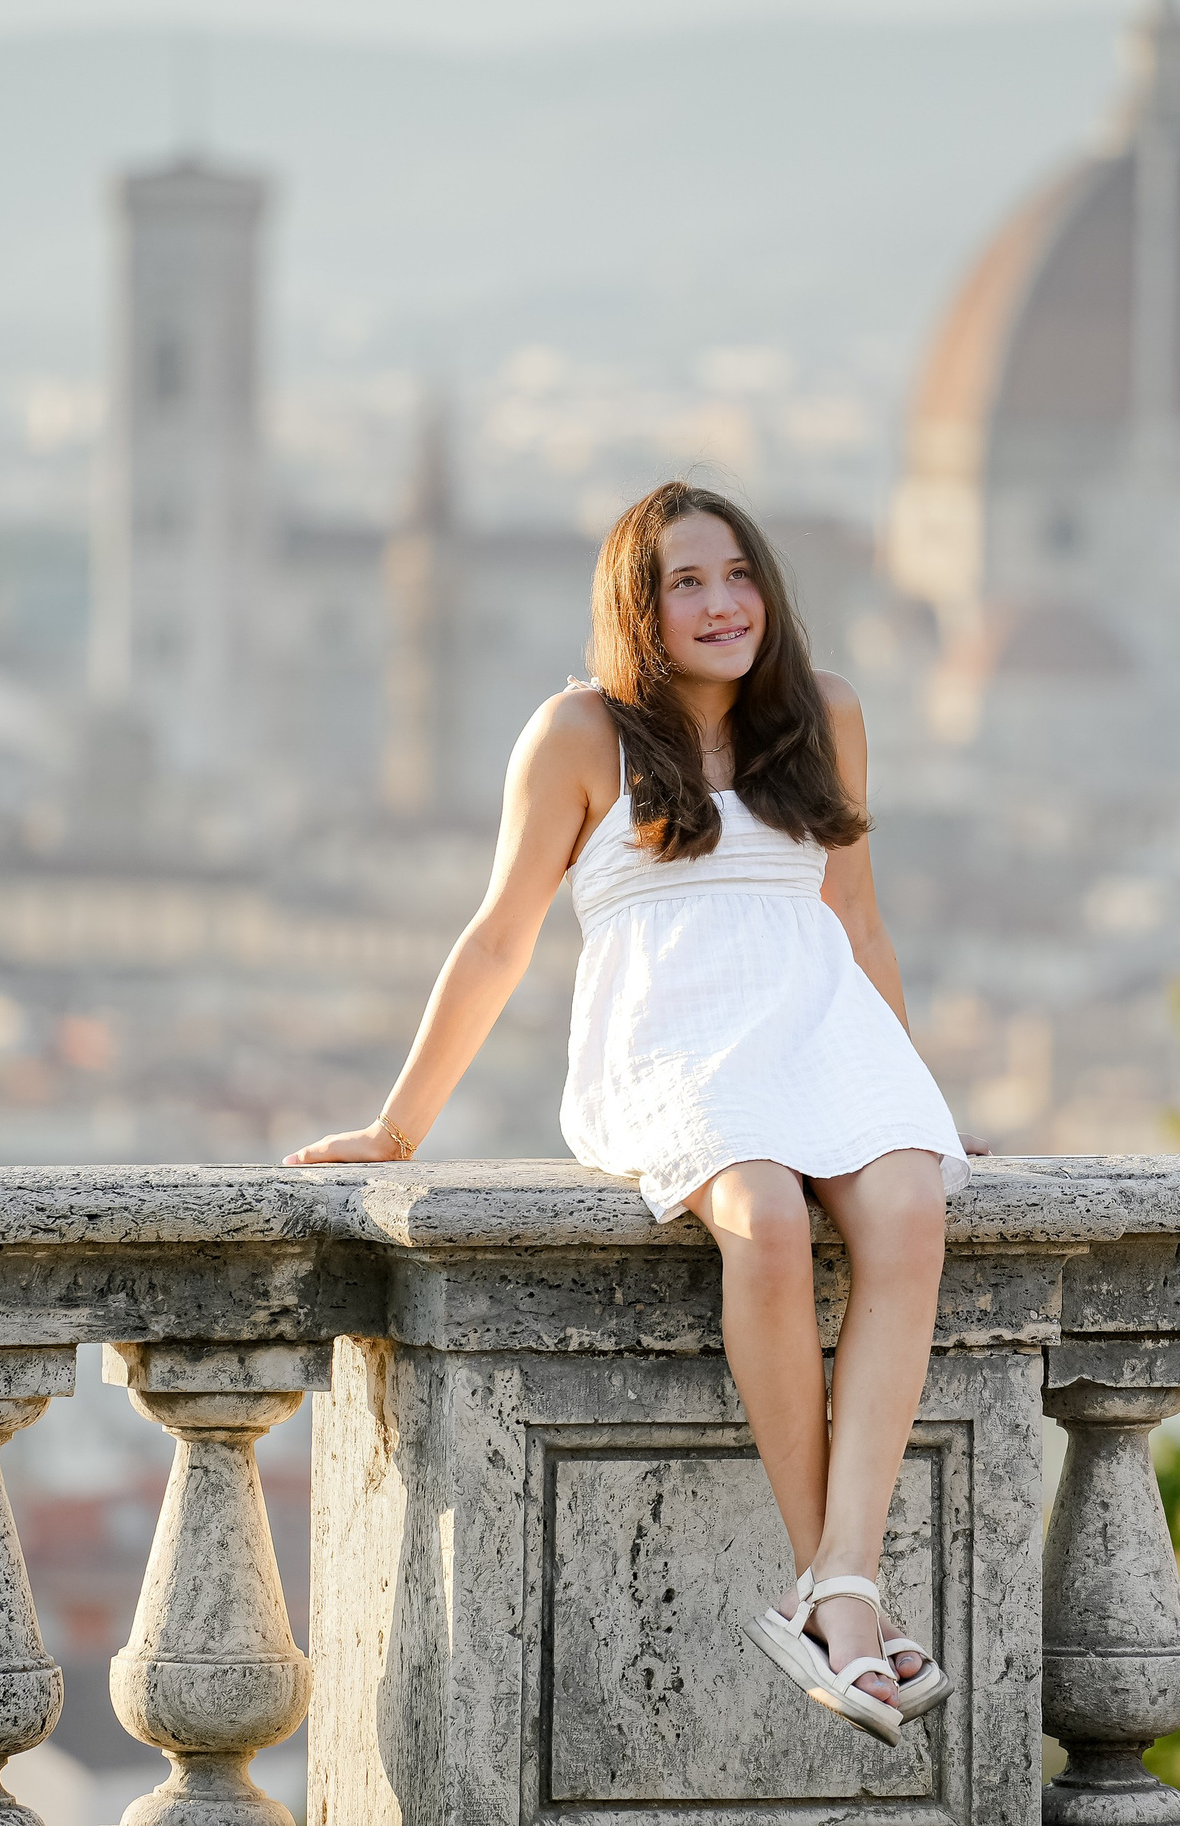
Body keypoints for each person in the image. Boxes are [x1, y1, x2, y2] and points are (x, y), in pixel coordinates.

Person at [285, 480, 984, 1747]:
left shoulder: (828, 717)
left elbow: (858, 919)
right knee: (764, 1218)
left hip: (824, 1031)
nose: (722, 603)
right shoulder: (575, 732)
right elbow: (498, 938)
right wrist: (397, 1129)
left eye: (739, 575)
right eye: (685, 582)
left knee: (911, 1205)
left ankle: (844, 1584)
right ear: (637, 607)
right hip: (672, 1039)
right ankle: (837, 1598)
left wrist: (914, 1094)